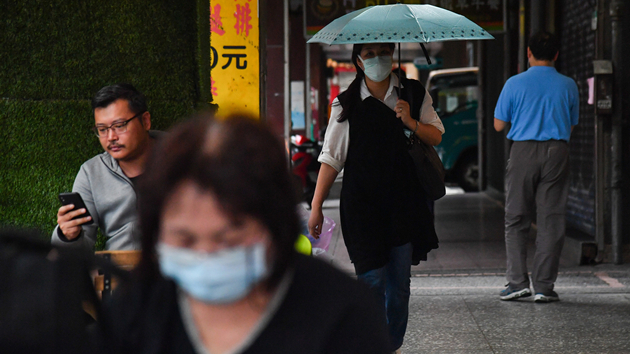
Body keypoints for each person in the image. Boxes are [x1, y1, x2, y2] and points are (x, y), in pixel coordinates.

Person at [98, 114, 391, 354]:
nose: (206, 254)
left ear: (273, 223)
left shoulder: (341, 313)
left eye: (228, 238)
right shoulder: (137, 309)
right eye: (184, 239)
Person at [308, 42, 444, 353]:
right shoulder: (346, 104)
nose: (378, 59)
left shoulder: (412, 93)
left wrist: (411, 121)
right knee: (371, 283)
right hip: (362, 207)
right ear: (358, 61)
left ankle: (390, 344)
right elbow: (332, 158)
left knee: (398, 289)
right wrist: (316, 206)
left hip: (404, 205)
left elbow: (436, 134)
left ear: (393, 55)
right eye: (369, 54)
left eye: (384, 52)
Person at [494, 31, 579, 303]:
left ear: (528, 53)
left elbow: (498, 125)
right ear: (556, 55)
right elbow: (571, 125)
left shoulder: (514, 83)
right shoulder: (568, 85)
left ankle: (517, 282)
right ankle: (544, 286)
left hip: (523, 151)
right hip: (558, 150)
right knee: (551, 219)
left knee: (517, 217)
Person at [52, 84, 160, 252]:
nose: (111, 137)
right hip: (121, 270)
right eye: (102, 129)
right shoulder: (91, 173)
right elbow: (79, 247)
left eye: (119, 125)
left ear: (145, 121)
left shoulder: (183, 158)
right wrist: (67, 236)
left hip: (180, 267)